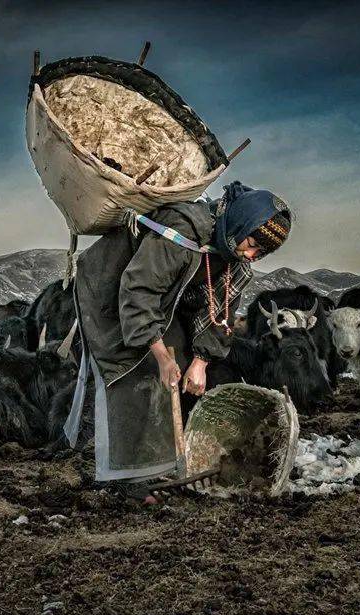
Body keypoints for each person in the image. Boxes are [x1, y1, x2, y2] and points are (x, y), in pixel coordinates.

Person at [63, 181, 292, 499]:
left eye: (262, 252)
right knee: (135, 370)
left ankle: (161, 463)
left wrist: (200, 362)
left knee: (181, 363)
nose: (252, 255)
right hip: (112, 290)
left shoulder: (231, 255)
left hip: (163, 302)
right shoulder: (183, 228)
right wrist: (159, 355)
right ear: (240, 222)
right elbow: (140, 289)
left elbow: (221, 314)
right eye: (253, 242)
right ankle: (122, 474)